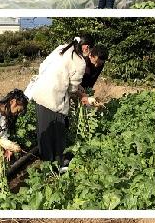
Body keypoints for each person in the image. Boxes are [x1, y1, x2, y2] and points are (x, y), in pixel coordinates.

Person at [23, 35, 99, 169]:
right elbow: (73, 88)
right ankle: (58, 165)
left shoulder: (62, 48)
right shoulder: (80, 61)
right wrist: (84, 96)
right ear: (86, 47)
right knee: (58, 131)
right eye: (90, 49)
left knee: (44, 132)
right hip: (54, 98)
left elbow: (43, 66)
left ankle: (47, 165)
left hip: (40, 92)